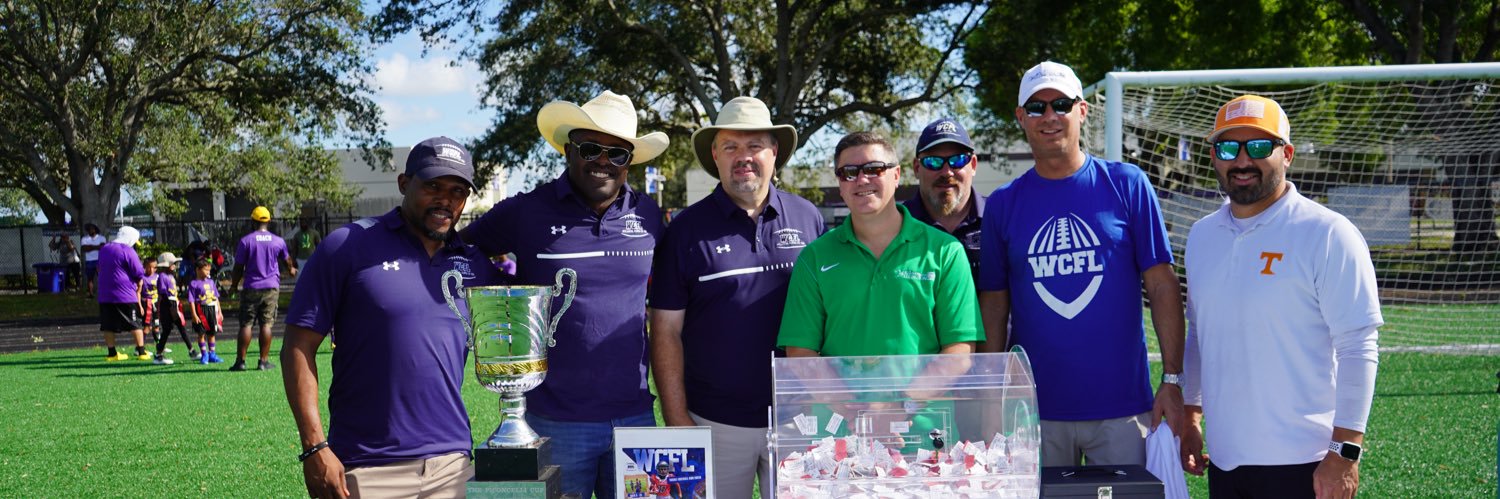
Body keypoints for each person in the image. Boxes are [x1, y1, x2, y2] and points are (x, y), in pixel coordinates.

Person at [460, 90, 667, 499]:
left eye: (617, 153)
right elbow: (462, 250)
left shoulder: (649, 216)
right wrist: (503, 297)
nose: (603, 161)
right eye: (591, 149)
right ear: (570, 151)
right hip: (556, 419)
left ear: (630, 161)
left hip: (636, 415)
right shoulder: (527, 211)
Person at [977, 61, 1185, 467]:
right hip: (1034, 410)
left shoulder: (1128, 184)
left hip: (1123, 406)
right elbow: (995, 304)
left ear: (1083, 110)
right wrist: (989, 393)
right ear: (1021, 118)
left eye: (1061, 104)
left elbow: (1162, 285)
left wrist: (1172, 379)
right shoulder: (1003, 203)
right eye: (1036, 107)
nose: (1050, 116)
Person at [1180, 95, 1382, 498]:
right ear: (1213, 156)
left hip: (1303, 463)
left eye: (1257, 147)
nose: (1241, 161)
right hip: (1224, 461)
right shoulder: (1201, 235)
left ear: (1286, 154)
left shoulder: (1326, 232)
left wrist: (1344, 452)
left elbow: (1359, 345)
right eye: (1227, 148)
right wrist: (1191, 415)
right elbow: (1200, 334)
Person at [282, 137, 503, 498]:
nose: (446, 200)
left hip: (453, 466)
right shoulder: (348, 246)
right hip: (366, 467)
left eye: (458, 191)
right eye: (433, 186)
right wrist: (315, 447)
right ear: (404, 183)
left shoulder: (474, 263)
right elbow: (298, 345)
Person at [648, 96, 823, 498]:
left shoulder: (808, 217)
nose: (744, 157)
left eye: (755, 145)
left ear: (774, 152)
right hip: (715, 422)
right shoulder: (685, 231)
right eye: (731, 147)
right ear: (715, 154)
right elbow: (665, 331)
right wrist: (678, 421)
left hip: (801, 419)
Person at [777, 132, 981, 357]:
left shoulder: (946, 252)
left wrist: (910, 393)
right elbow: (800, 351)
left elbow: (959, 349)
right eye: (849, 173)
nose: (862, 179)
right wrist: (845, 394)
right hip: (837, 394)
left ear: (896, 175)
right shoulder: (814, 257)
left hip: (925, 394)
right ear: (840, 184)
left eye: (874, 169)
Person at [904, 117, 985, 277]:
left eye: (958, 160)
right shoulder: (899, 224)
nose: (947, 172)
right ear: (916, 168)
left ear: (973, 165)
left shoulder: (999, 217)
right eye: (933, 161)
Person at [228, 206, 297, 371]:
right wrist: (291, 270)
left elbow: (238, 267)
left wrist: (233, 285)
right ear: (268, 221)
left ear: (253, 221)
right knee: (266, 324)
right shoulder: (278, 241)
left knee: (246, 324)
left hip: (251, 286)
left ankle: (241, 362)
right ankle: (263, 361)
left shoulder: (246, 241)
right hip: (271, 287)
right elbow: (287, 259)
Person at [97, 226, 150, 361]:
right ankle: (142, 352)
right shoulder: (127, 250)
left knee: (108, 325)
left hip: (105, 294)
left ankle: (112, 353)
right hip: (125, 294)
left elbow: (99, 268)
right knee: (135, 323)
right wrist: (139, 282)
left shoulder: (104, 249)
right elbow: (138, 271)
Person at [152, 252, 195, 362]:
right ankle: (158, 355)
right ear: (166, 265)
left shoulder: (171, 276)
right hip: (167, 305)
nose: (175, 265)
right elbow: (163, 293)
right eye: (173, 263)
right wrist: (170, 307)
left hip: (174, 303)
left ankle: (192, 351)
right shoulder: (162, 276)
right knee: (166, 330)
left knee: (181, 326)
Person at [187, 259, 225, 365]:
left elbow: (216, 297)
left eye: (209, 270)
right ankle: (204, 354)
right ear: (198, 270)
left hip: (212, 310)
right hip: (201, 310)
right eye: (206, 270)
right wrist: (194, 314)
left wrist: (219, 312)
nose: (208, 272)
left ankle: (212, 354)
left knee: (212, 333)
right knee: (201, 333)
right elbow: (191, 301)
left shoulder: (211, 282)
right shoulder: (193, 284)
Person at [140, 258, 163, 357]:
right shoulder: (142, 278)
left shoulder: (158, 277)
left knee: (156, 326)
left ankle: (160, 346)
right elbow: (138, 292)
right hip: (147, 304)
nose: (151, 269)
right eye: (148, 267)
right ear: (145, 267)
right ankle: (140, 348)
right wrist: (141, 304)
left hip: (156, 304)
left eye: (153, 267)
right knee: (147, 327)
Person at [81, 223, 105, 296]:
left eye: (92, 228)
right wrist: (97, 247)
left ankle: (103, 293)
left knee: (101, 277)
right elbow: (84, 249)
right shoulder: (84, 238)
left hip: (99, 260)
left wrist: (90, 247)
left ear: (95, 229)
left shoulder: (102, 238)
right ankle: (91, 293)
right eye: (89, 228)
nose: (90, 230)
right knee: (90, 278)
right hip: (89, 261)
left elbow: (102, 248)